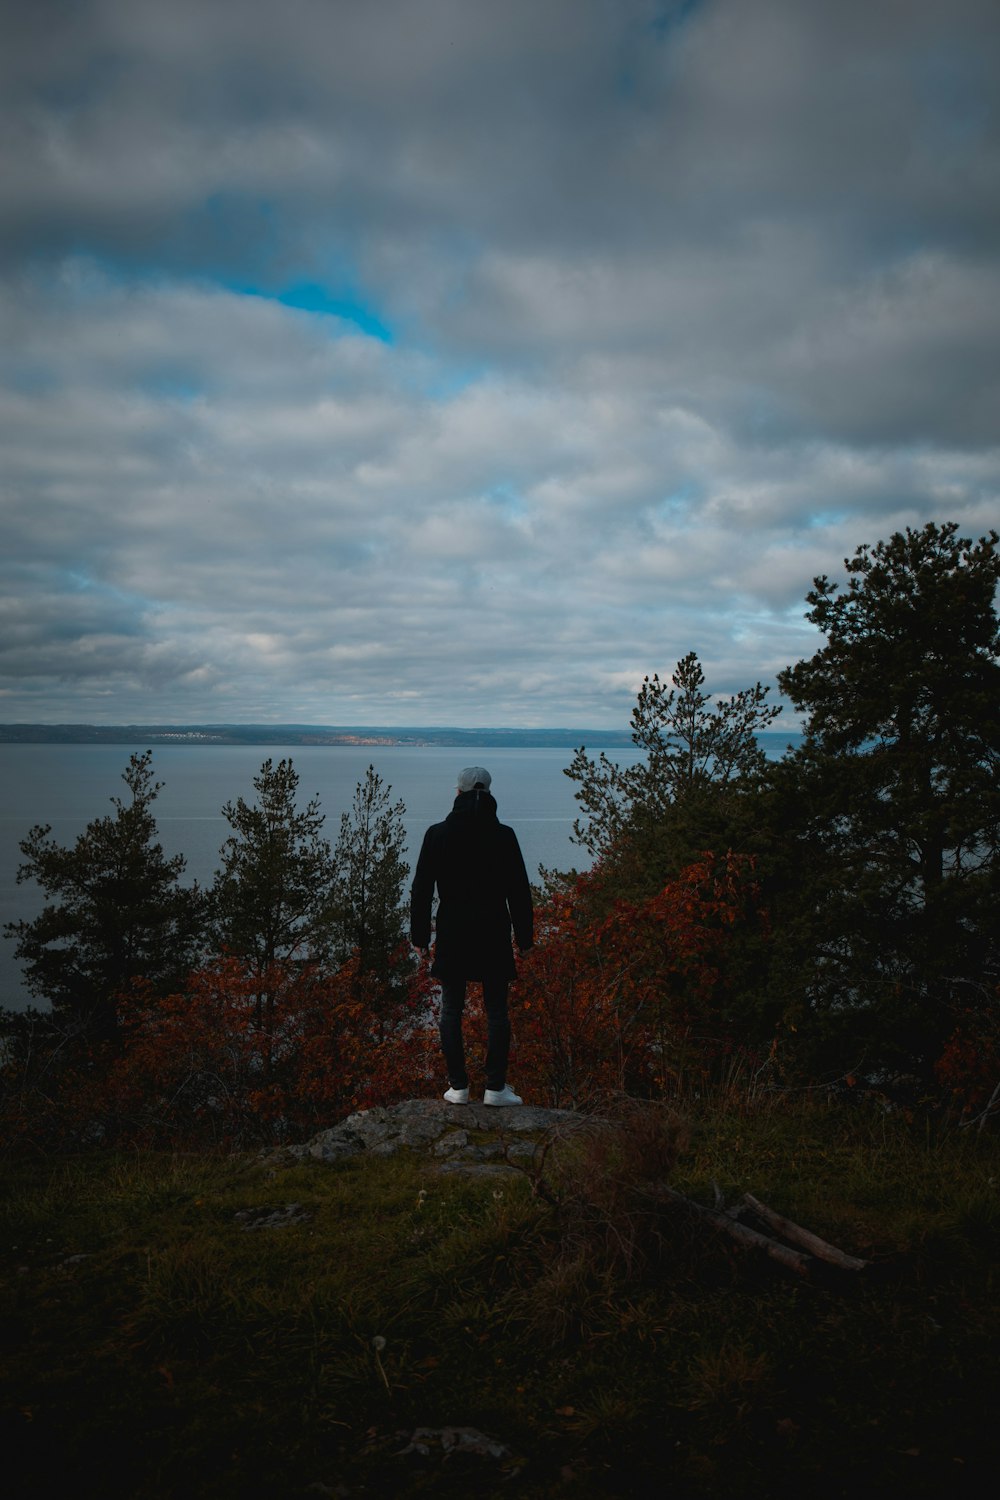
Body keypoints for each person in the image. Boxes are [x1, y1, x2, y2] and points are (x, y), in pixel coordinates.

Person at [410, 766, 534, 1106]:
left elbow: (421, 889)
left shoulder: (438, 834)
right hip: (493, 930)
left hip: (453, 931)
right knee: (497, 1011)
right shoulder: (504, 836)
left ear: (458, 793)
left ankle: (459, 1087)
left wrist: (420, 937)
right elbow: (520, 892)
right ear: (489, 793)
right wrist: (525, 940)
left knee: (451, 1009)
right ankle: (495, 1088)